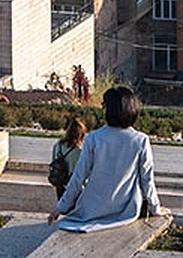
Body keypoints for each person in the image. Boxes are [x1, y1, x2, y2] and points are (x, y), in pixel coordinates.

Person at [47, 86, 166, 232]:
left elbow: (79, 177)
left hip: (92, 209)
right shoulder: (140, 140)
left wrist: (60, 208)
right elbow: (147, 180)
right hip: (126, 210)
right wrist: (156, 208)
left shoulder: (93, 138)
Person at [48, 117, 86, 200]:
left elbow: (53, 162)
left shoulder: (58, 145)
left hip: (60, 183)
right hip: (75, 186)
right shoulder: (80, 151)